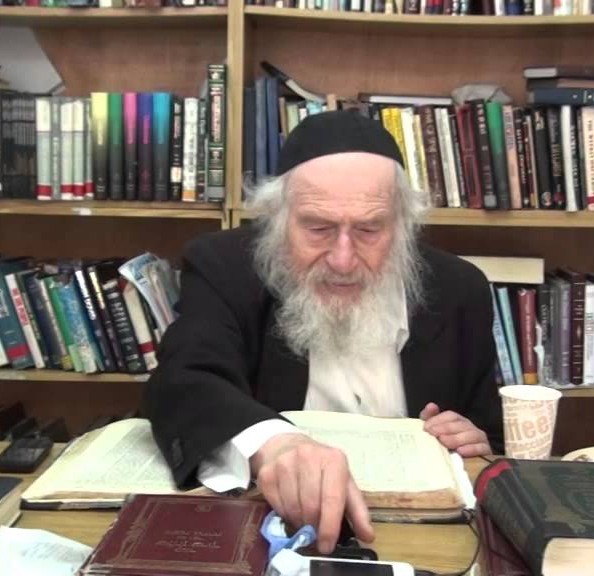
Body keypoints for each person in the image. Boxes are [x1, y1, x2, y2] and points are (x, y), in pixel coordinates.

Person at [144, 110, 501, 554]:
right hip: (270, 533)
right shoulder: (224, 267)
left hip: (426, 538)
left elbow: (490, 438)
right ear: (279, 219)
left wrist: (472, 442)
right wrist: (273, 445)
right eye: (318, 228)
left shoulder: (460, 289)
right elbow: (182, 379)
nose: (343, 260)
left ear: (403, 224)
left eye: (369, 229)